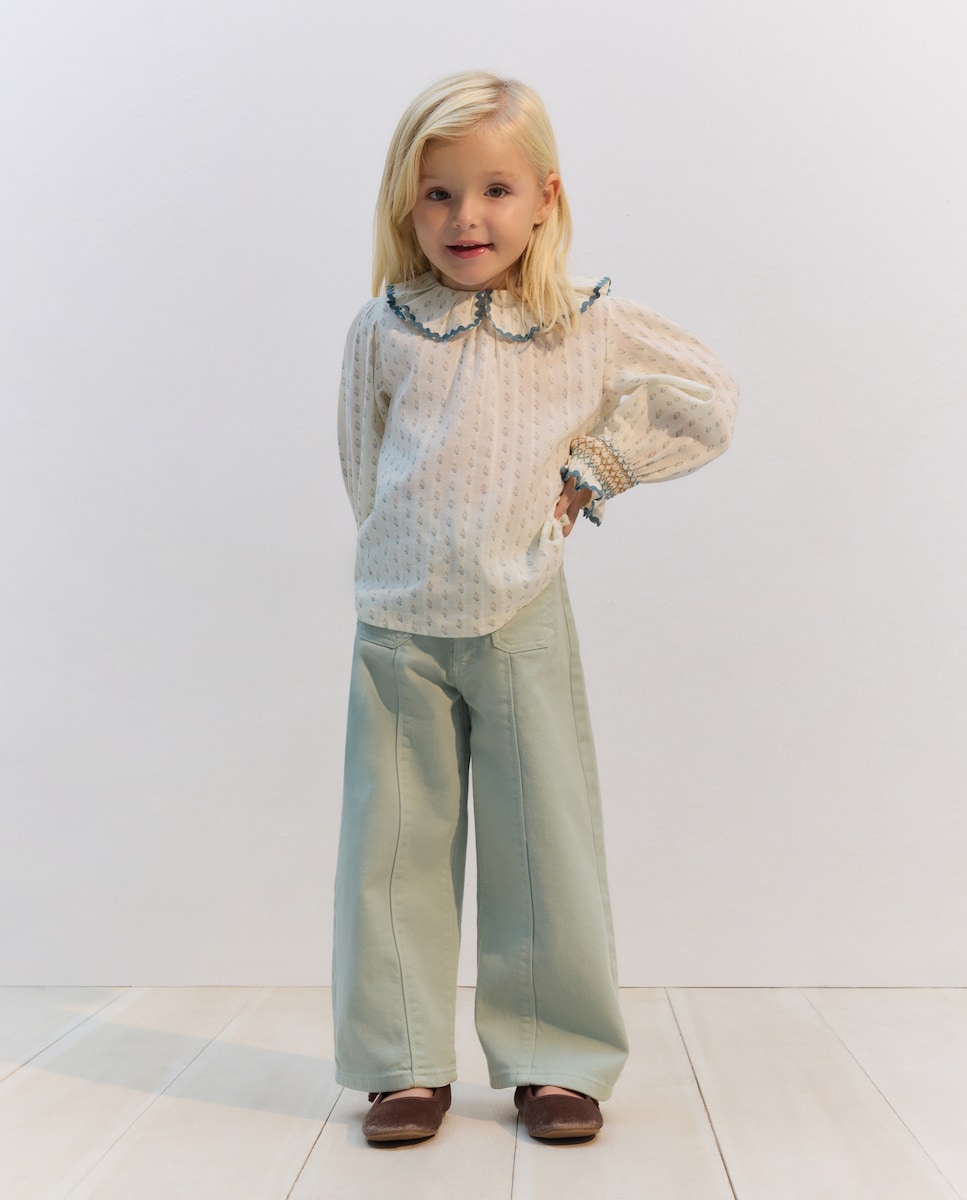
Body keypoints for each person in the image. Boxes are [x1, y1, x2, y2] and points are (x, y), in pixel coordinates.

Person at [333, 70, 738, 1145]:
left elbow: (708, 394)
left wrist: (597, 466)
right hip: (398, 626)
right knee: (391, 846)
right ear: (405, 204)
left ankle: (555, 1058)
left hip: (519, 614)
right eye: (437, 194)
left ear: (544, 197)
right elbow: (362, 467)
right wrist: (398, 558)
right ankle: (400, 1063)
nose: (465, 218)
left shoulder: (580, 323)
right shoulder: (383, 328)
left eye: (494, 190)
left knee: (540, 838)